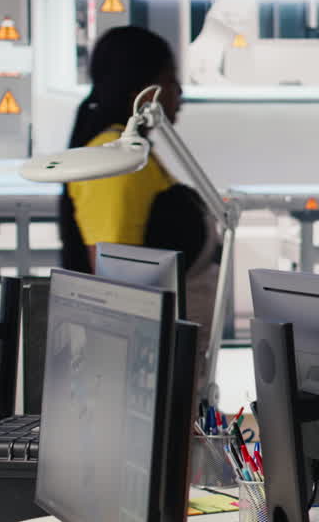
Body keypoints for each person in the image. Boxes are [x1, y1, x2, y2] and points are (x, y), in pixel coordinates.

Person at [60, 25, 220, 391]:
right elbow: (113, 275)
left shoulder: (134, 154)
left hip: (172, 354)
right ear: (145, 91)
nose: (180, 93)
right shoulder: (115, 164)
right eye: (171, 80)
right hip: (144, 369)